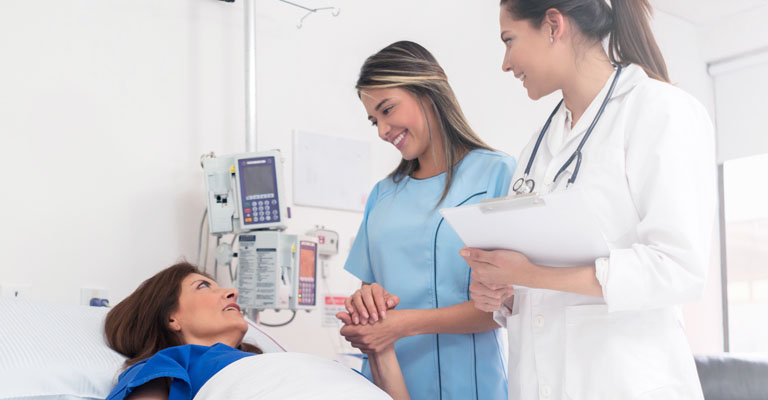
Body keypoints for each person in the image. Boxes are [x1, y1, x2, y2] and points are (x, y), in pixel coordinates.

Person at [461, 0, 716, 399]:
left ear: (553, 25)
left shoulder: (659, 111)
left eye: (509, 41)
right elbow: (534, 282)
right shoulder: (537, 147)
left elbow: (677, 268)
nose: (506, 63)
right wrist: (501, 291)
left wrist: (529, 274)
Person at [338, 40, 516, 400]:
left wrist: (402, 325)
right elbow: (367, 291)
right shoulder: (383, 196)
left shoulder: (498, 174)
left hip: (470, 385)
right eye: (374, 120)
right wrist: (365, 301)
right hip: (383, 384)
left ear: (428, 90)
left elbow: (507, 305)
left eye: (388, 110)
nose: (382, 130)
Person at [104, 262, 410, 400]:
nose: (231, 292)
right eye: (203, 286)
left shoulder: (287, 363)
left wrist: (380, 346)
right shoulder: (172, 362)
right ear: (172, 318)